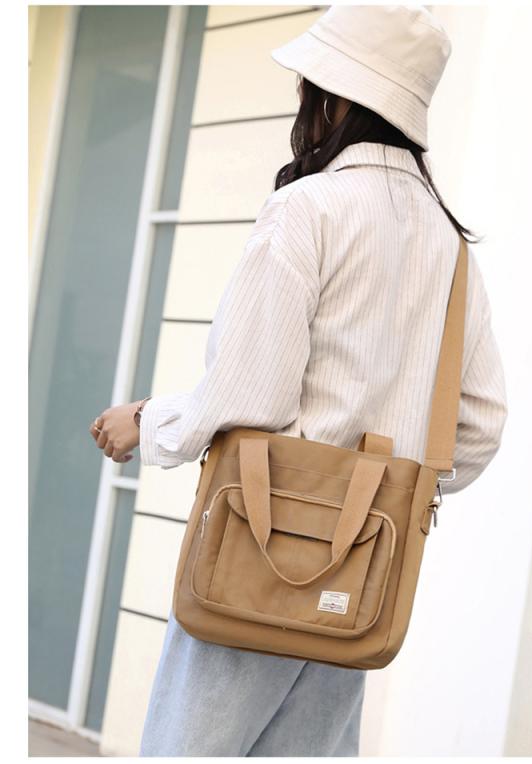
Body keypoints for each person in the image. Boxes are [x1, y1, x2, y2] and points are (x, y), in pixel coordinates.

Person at [89, 5, 507, 757]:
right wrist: (384, 494)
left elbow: (250, 393)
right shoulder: (450, 246)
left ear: (335, 97)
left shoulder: (306, 209)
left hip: (257, 551)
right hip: (364, 580)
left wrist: (148, 421)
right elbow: (477, 426)